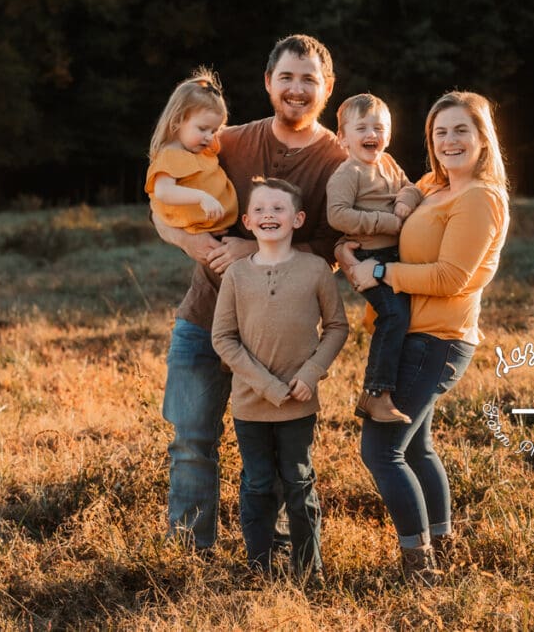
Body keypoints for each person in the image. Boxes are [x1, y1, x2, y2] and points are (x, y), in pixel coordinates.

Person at [152, 34, 346, 552]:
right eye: (286, 77)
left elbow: (332, 245)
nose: (297, 89)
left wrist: (250, 249)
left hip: (276, 336)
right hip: (203, 315)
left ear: (326, 88)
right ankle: (189, 556)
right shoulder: (228, 141)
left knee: (278, 453)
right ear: (268, 83)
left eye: (309, 79)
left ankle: (272, 553)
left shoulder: (338, 161)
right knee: (192, 441)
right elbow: (160, 204)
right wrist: (196, 243)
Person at [339, 91, 511, 584]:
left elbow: (450, 277)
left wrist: (378, 270)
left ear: (482, 138)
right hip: (413, 335)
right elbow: (396, 202)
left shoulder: (480, 198)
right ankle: (445, 545)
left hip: (436, 339)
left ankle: (421, 568)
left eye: (461, 130)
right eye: (440, 132)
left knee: (381, 451)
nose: (450, 140)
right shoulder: (436, 185)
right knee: (416, 449)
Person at [212, 177, 348, 581]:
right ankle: (259, 566)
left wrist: (310, 373)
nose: (269, 215)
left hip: (299, 401)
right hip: (251, 405)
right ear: (247, 221)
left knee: (298, 481)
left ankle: (309, 569)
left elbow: (338, 327)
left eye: (278, 209)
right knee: (256, 483)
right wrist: (267, 385)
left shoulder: (316, 269)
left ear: (298, 218)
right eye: (260, 210)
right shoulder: (236, 274)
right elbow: (223, 337)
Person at [326, 93, 421, 425]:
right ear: (343, 137)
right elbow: (337, 215)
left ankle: (391, 385)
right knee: (394, 315)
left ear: (389, 134)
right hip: (367, 255)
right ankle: (376, 394)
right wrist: (388, 222)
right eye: (362, 127)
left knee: (406, 314)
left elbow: (412, 187)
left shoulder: (389, 163)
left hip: (394, 255)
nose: (372, 135)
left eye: (379, 128)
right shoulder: (347, 172)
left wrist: (405, 201)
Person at [145, 68, 238, 236]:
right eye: (203, 129)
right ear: (178, 119)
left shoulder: (201, 148)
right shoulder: (170, 155)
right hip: (208, 232)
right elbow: (163, 192)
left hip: (228, 225)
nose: (210, 137)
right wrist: (202, 197)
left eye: (214, 130)